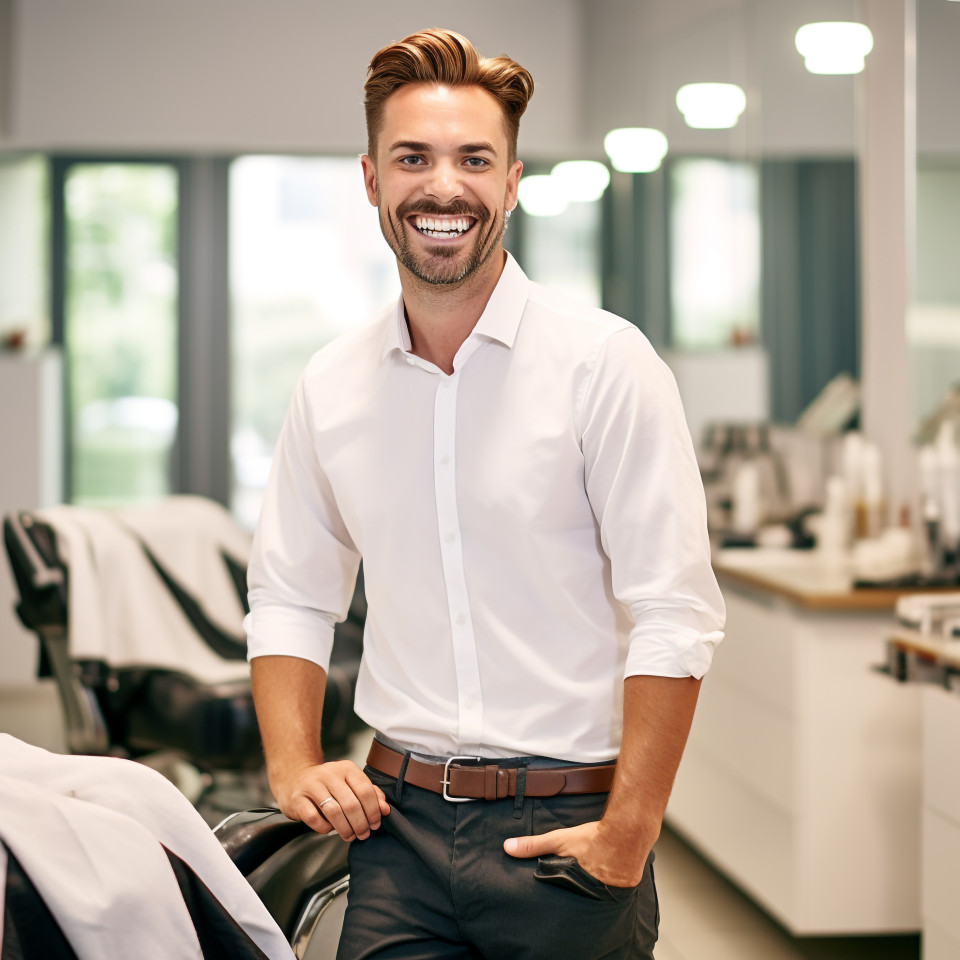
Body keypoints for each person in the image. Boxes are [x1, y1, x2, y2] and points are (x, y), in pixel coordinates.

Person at [246, 27, 725, 960]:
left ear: (511, 182)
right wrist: (292, 761)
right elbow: (293, 594)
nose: (444, 185)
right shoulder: (332, 384)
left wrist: (628, 833)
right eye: (412, 157)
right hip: (395, 836)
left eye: (475, 158)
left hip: (569, 835)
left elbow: (675, 611)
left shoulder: (604, 364)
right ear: (372, 180)